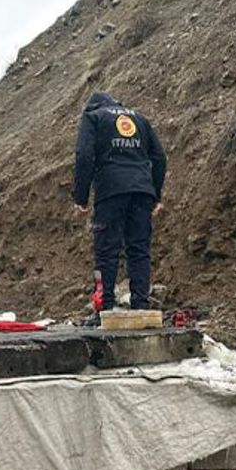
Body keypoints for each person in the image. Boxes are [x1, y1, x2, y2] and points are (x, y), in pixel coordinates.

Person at [72, 91, 167, 311]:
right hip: (142, 190)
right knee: (139, 250)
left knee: (106, 251)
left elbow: (84, 155)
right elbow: (159, 157)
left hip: (111, 190)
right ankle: (140, 306)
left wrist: (81, 197)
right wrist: (156, 194)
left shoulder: (93, 117)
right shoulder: (139, 118)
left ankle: (104, 308)